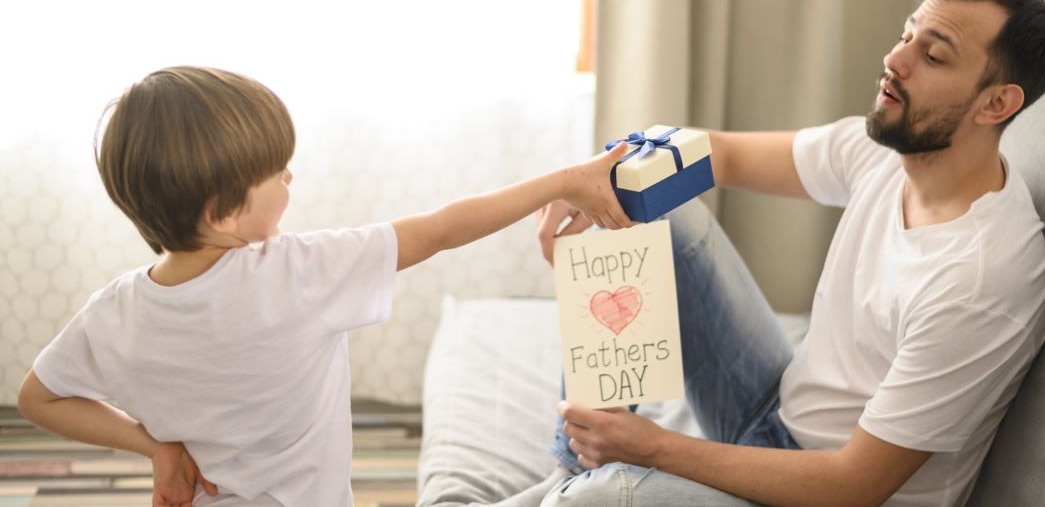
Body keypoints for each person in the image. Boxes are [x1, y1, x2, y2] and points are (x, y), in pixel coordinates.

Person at [534, 0, 1045, 506]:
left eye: (932, 56)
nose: (895, 60)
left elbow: (852, 486)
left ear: (996, 103)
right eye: (906, 36)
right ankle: (568, 472)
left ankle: (578, 492)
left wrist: (654, 448)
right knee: (651, 203)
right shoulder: (885, 155)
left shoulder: (980, 281)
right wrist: (596, 179)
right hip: (774, 413)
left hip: (826, 491)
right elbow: (721, 154)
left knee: (602, 499)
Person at [16, 66, 633, 507]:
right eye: (274, 171)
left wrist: (155, 446)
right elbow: (443, 229)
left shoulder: (114, 312)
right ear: (221, 213)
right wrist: (565, 181)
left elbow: (38, 399)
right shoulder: (296, 273)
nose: (290, 175)